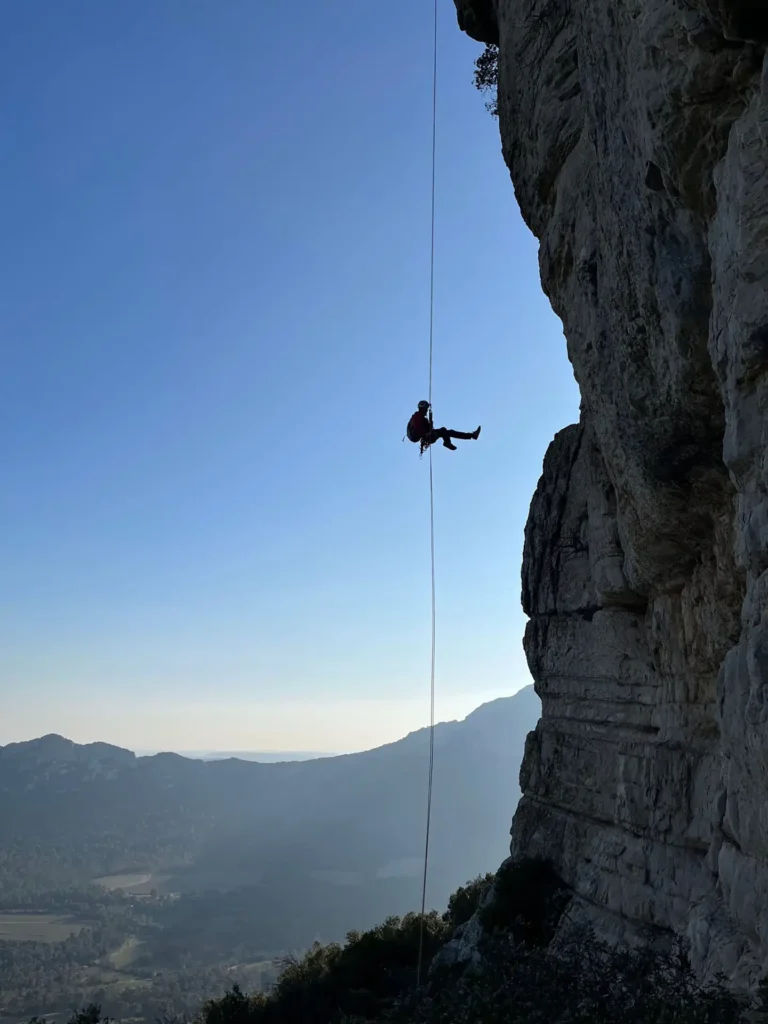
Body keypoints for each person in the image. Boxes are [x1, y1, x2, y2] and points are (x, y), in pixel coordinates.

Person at [406, 400, 481, 451]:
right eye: (426, 408)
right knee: (444, 431)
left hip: (427, 436)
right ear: (423, 408)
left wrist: (430, 421)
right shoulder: (417, 416)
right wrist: (426, 434)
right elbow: (418, 428)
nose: (426, 410)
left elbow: (430, 428)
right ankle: (448, 442)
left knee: (447, 431)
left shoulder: (422, 418)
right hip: (427, 437)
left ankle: (472, 436)